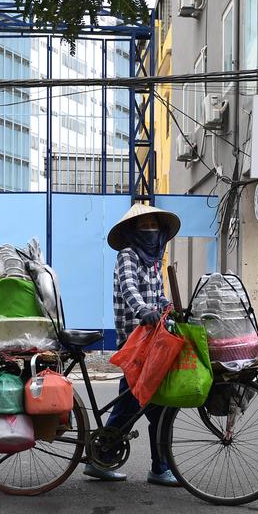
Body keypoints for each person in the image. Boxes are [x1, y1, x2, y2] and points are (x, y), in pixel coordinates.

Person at [84, 202, 182, 486]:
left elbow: (158, 296)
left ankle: (106, 458)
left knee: (141, 404)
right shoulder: (128, 255)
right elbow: (129, 288)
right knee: (146, 405)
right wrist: (142, 311)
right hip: (134, 341)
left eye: (154, 227)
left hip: (152, 341)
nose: (150, 232)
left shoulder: (153, 262)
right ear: (133, 232)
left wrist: (170, 308)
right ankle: (156, 466)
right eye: (144, 227)